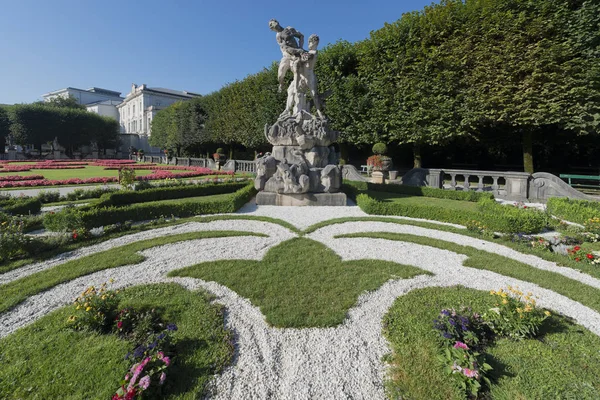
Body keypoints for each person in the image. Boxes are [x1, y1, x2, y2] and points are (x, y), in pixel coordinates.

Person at [269, 19, 306, 92]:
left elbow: (301, 36)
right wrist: (298, 50)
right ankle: (281, 84)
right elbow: (286, 48)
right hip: (287, 55)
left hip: (296, 54)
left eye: (271, 24)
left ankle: (299, 88)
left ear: (276, 22)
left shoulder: (289, 29)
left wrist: (300, 47)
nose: (270, 26)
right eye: (270, 26)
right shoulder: (278, 36)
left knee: (297, 72)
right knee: (280, 74)